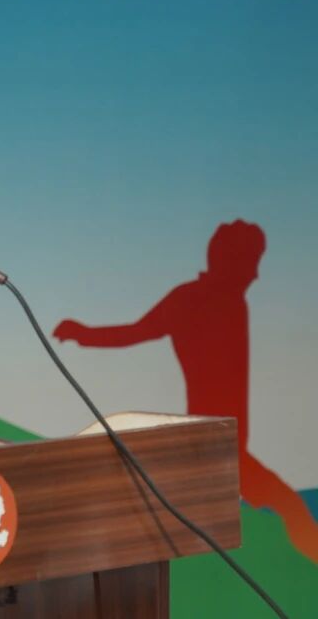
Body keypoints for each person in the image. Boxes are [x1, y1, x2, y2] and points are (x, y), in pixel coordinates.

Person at [55, 220, 318, 562]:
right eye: (251, 263)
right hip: (209, 447)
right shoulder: (190, 300)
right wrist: (83, 334)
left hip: (229, 448)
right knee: (284, 508)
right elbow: (135, 332)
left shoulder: (235, 302)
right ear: (228, 261)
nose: (256, 275)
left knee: (284, 510)